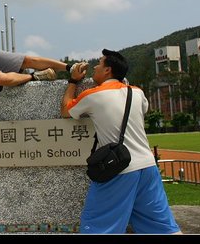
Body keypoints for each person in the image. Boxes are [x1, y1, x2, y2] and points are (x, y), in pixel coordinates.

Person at [60, 49, 181, 234]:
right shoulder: (137, 92)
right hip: (148, 167)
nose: (95, 67)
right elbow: (143, 108)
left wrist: (73, 81)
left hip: (119, 169)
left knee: (98, 225)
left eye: (99, 64)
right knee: (160, 226)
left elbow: (65, 110)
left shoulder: (93, 95)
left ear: (107, 70)